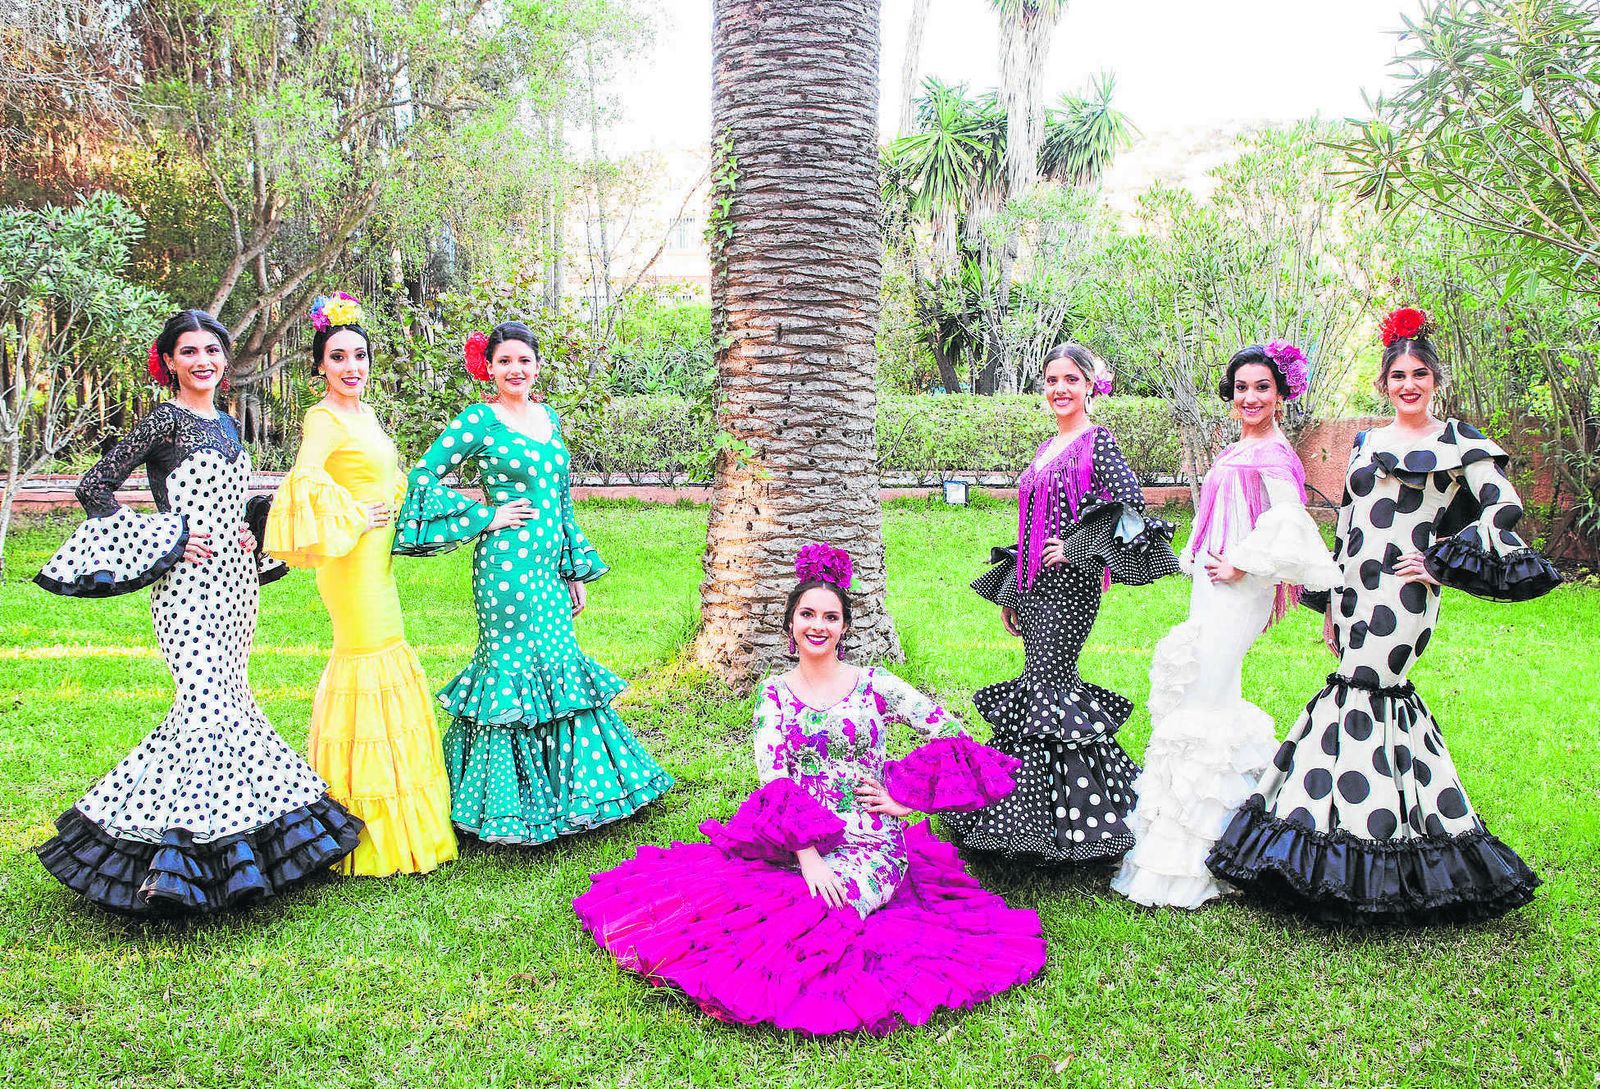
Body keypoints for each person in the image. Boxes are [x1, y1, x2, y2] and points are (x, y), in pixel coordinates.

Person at [573, 543, 1044, 1036]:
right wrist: (808, 854)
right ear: (791, 623)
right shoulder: (775, 693)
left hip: (872, 839)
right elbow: (773, 780)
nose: (818, 625)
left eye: (831, 616)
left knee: (827, 911)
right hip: (800, 835)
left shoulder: (875, 684)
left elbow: (951, 733)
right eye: (808, 614)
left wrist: (905, 798)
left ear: (844, 627)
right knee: (760, 901)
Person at [1207, 308, 1562, 924]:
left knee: (1367, 691)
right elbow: (1347, 524)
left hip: (1402, 596)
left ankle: (1369, 849)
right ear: (1383, 384)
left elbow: (1501, 510)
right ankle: (1348, 835)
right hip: (1354, 590)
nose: (1408, 384)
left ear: (1435, 381)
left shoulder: (1458, 442)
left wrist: (1444, 562)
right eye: (1397, 375)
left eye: (1419, 373)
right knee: (1356, 697)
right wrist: (1329, 600)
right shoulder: (1368, 443)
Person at [34, 308, 360, 914]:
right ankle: (174, 861)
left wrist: (247, 526)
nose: (203, 360)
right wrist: (168, 539)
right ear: (170, 361)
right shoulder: (164, 421)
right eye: (190, 351)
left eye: (213, 349)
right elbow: (94, 488)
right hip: (185, 589)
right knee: (203, 708)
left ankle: (240, 850)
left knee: (231, 709)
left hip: (237, 585)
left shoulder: (230, 424)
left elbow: (226, 498)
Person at [392, 321, 672, 843]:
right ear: (489, 368)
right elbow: (422, 476)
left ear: (536, 365)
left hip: (548, 568)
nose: (515, 370)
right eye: (504, 362)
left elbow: (561, 501)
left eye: (524, 360)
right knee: (513, 674)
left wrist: (573, 570)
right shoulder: (480, 420)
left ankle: (574, 793)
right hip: (506, 571)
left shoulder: (549, 417)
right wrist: (483, 516)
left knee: (560, 669)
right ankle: (503, 804)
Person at [1111, 342, 1339, 909]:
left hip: (1238, 589)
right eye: (1241, 388)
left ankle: (1197, 853)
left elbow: (1291, 521)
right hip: (1213, 586)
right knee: (1205, 694)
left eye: (1262, 387)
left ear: (1282, 395)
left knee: (1206, 700)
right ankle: (1221, 836)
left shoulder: (1276, 453)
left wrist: (1243, 563)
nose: (1251, 397)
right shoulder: (1238, 447)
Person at [945, 343, 1180, 864]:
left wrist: (1076, 548)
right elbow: (1029, 525)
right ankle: (1026, 815)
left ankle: (1065, 823)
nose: (1059, 389)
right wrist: (1014, 590)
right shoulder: (1050, 445)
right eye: (1051, 380)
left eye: (1071, 379)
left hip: (1070, 588)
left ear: (1091, 385)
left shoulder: (1099, 443)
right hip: (1034, 590)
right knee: (1038, 692)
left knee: (1049, 694)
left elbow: (1130, 510)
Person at [264, 293, 456, 876]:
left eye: (360, 356)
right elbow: (303, 480)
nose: (352, 367)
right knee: (367, 659)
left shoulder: (363, 413)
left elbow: (386, 478)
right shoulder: (322, 418)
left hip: (378, 560)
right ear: (319, 365)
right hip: (350, 564)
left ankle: (398, 811)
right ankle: (361, 822)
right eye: (339, 357)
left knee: (389, 654)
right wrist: (351, 514)